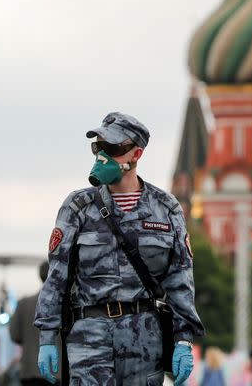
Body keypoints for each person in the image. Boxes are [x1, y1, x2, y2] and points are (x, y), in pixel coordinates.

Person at [34, 112, 205, 385]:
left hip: (144, 339)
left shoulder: (166, 208)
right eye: (98, 148)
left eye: (112, 149)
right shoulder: (77, 206)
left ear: (136, 154)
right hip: (89, 336)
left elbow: (180, 278)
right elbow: (57, 277)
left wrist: (183, 338)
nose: (102, 156)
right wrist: (46, 335)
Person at [10, 261, 55, 386]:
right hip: (57, 371)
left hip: (30, 370)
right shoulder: (62, 304)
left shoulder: (23, 304)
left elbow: (14, 335)